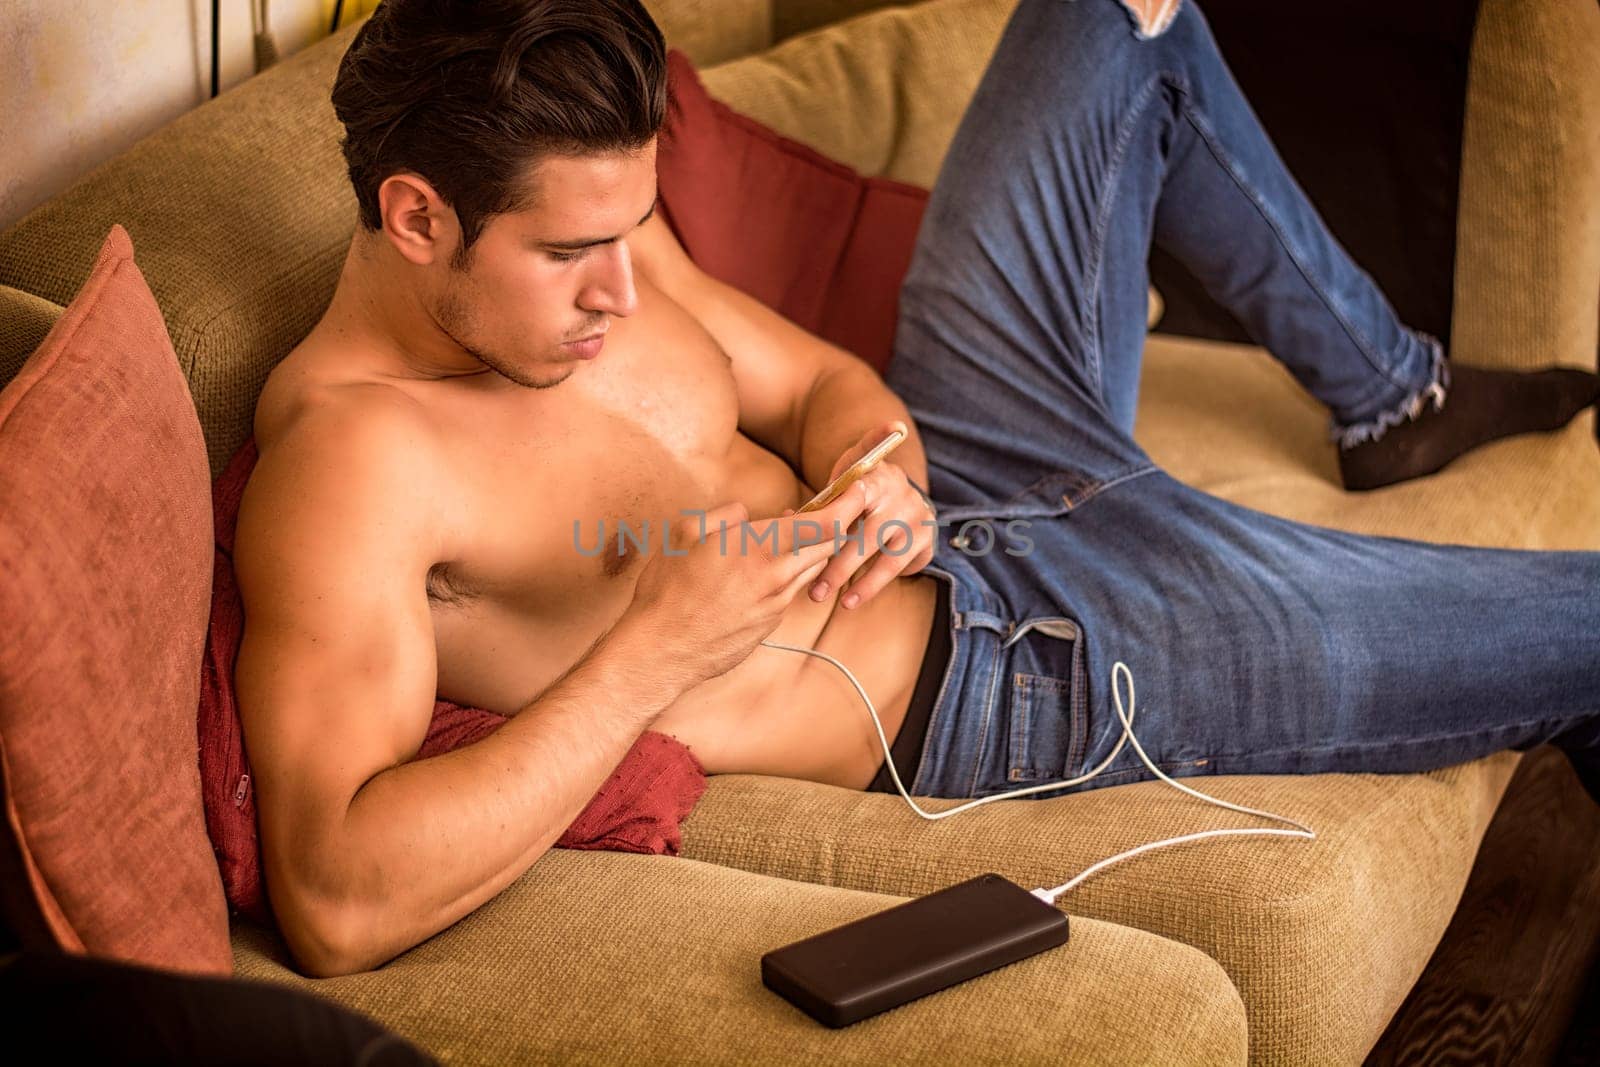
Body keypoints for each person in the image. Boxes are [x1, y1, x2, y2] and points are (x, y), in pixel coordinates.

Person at [232, 0, 1600, 978]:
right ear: (417, 217)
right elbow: (338, 898)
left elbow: (824, 384)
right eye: (575, 253)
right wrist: (657, 651)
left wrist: (878, 467)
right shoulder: (354, 469)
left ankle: (1394, 400)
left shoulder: (600, 247)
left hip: (983, 452)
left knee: (1122, 15)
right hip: (1019, 661)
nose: (629, 292)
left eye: (635, 229)